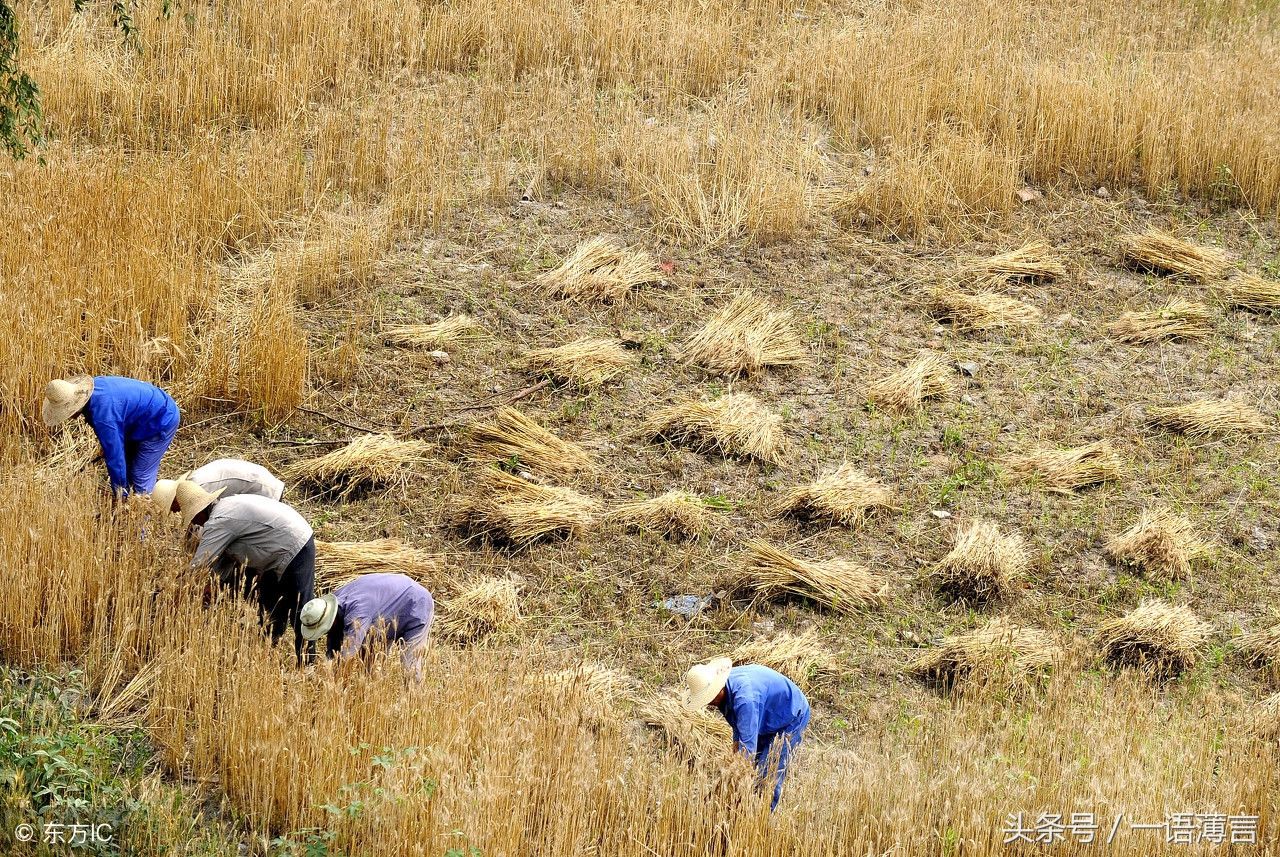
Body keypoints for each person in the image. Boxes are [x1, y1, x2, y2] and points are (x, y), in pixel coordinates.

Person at [176, 481, 314, 663]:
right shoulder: (224, 511)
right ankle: (267, 655)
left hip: (296, 543)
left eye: (193, 518)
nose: (194, 523)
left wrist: (174, 593)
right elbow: (219, 564)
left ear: (199, 512)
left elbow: (198, 568)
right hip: (277, 549)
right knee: (270, 604)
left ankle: (307, 663)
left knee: (299, 606)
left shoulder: (219, 522)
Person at [683, 658, 811, 811]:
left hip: (791, 716)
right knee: (750, 770)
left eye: (709, 698)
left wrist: (732, 784)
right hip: (766, 713)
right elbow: (740, 733)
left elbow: (747, 754)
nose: (708, 703)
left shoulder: (745, 699)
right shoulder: (725, 694)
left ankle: (759, 820)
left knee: (767, 776)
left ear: (718, 689)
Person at [42, 375, 180, 496]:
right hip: (141, 418)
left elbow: (115, 458)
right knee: (129, 465)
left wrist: (121, 494)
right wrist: (109, 444)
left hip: (160, 420)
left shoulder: (103, 414)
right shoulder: (93, 393)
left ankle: (142, 518)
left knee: (140, 475)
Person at [299, 573, 435, 679]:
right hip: (388, 604)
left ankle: (412, 705)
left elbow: (348, 656)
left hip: (416, 604)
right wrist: (330, 660)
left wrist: (336, 689)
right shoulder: (335, 600)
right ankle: (371, 695)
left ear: (330, 617)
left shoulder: (357, 612)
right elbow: (334, 637)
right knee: (370, 660)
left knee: (410, 666)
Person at [152, 458, 285, 514]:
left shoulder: (198, 486)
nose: (174, 512)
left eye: (171, 508)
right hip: (259, 482)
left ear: (175, 499)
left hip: (263, 490)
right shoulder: (193, 482)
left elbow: (209, 520)